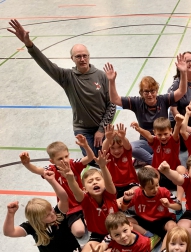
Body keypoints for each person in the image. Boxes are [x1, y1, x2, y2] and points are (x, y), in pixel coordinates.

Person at [7, 19, 116, 157]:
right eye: (78, 56)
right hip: (82, 129)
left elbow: (111, 104)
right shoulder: (67, 77)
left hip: (103, 127)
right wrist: (29, 44)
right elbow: (46, 64)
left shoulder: (101, 75)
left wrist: (101, 130)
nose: (82, 59)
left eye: (84, 56)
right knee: (93, 158)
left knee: (111, 156)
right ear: (72, 58)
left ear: (89, 57)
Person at [2, 171, 85, 252]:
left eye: (51, 210)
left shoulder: (58, 214)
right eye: (47, 215)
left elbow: (63, 197)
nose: (52, 215)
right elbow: (9, 232)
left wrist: (51, 180)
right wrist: (10, 213)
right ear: (37, 220)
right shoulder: (31, 226)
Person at [104, 56, 188, 165]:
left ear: (156, 90)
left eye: (152, 91)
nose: (150, 94)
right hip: (147, 142)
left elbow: (181, 91)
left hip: (164, 139)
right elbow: (114, 99)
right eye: (146, 92)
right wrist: (111, 81)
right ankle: (156, 162)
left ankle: (150, 159)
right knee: (132, 148)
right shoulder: (137, 102)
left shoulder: (163, 100)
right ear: (141, 93)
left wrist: (184, 73)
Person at [19, 137, 93, 239]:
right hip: (69, 207)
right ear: (52, 161)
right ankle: (67, 222)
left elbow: (89, 158)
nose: (64, 160)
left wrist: (86, 146)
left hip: (84, 202)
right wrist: (27, 164)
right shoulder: (51, 170)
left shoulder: (74, 164)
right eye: (60, 159)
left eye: (66, 156)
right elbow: (37, 170)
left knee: (94, 225)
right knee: (79, 232)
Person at [130, 116, 187, 206]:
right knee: (147, 168)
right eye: (159, 134)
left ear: (170, 131)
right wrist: (138, 129)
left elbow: (176, 133)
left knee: (181, 169)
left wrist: (178, 123)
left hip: (173, 176)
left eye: (165, 134)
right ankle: (150, 195)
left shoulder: (173, 140)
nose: (163, 137)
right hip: (158, 178)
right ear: (155, 132)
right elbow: (148, 135)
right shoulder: (155, 141)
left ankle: (178, 201)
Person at [121, 167, 180, 248]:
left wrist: (169, 205)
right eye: (151, 188)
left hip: (161, 220)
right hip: (143, 221)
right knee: (124, 222)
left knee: (173, 226)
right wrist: (126, 200)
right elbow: (123, 208)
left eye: (157, 185)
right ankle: (151, 237)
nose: (155, 189)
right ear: (142, 187)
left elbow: (179, 207)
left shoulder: (164, 191)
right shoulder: (137, 193)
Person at [101, 124, 139, 199]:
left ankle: (122, 201)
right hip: (113, 185)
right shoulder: (108, 154)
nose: (116, 151)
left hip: (130, 183)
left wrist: (123, 137)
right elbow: (104, 149)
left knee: (137, 190)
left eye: (120, 147)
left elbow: (127, 145)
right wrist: (108, 139)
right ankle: (122, 201)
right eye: (112, 148)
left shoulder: (126, 151)